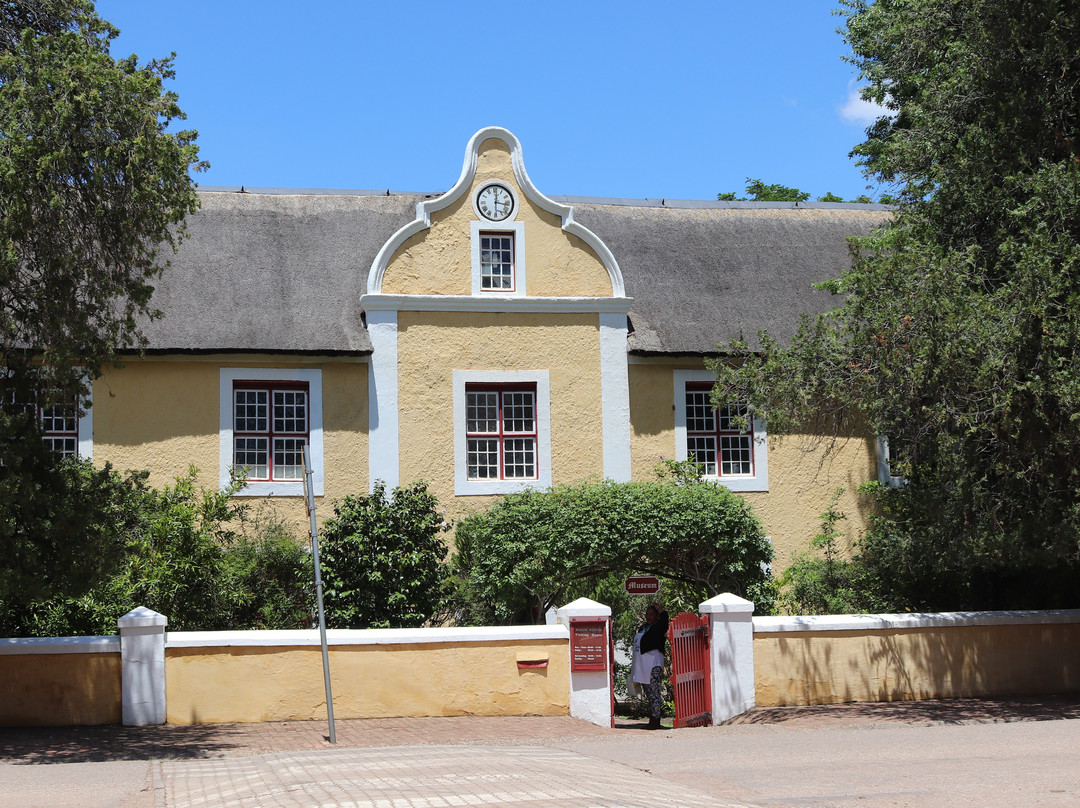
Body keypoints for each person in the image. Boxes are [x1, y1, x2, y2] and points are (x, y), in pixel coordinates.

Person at [631, 602, 669, 729]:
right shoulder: (643, 627)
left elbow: (665, 621)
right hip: (642, 665)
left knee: (654, 691)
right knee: (648, 692)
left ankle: (655, 719)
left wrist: (661, 610)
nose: (648, 617)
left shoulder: (658, 627)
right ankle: (653, 715)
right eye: (647, 614)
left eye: (652, 614)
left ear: (657, 616)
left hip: (654, 664)